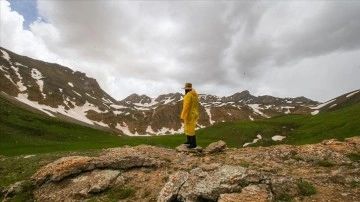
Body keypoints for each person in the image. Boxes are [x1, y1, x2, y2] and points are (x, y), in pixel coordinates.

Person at [180, 82, 199, 149]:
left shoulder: (188, 95)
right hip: (195, 113)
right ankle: (189, 141)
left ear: (186, 89)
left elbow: (186, 106)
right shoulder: (195, 95)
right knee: (190, 128)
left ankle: (193, 144)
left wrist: (183, 115)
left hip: (189, 114)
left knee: (189, 129)